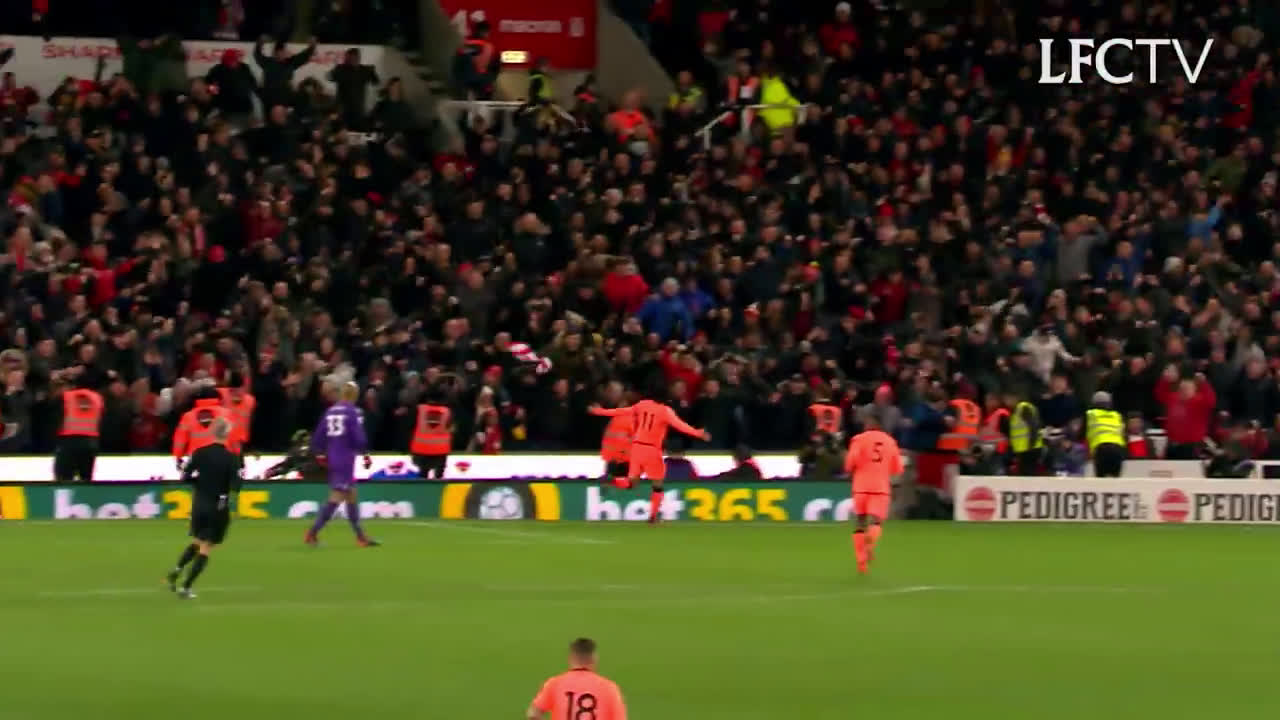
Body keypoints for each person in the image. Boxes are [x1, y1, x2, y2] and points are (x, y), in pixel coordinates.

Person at [588, 388, 710, 524]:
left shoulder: (643, 405)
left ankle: (612, 481)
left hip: (637, 448)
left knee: (632, 483)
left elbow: (622, 411)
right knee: (657, 485)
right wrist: (698, 433)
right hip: (652, 450)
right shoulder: (665, 411)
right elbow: (680, 426)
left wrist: (599, 411)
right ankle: (653, 516)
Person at [166, 419, 242, 600]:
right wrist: (230, 502)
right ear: (228, 434)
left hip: (199, 504)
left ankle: (176, 570)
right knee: (206, 547)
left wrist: (199, 483)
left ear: (212, 432)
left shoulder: (199, 453)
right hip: (218, 506)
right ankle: (186, 587)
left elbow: (185, 476)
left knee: (198, 540)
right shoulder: (231, 458)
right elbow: (236, 485)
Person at [305, 381, 377, 547]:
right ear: (355, 394)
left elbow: (319, 435)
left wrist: (319, 453)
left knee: (351, 496)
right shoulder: (351, 411)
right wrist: (365, 453)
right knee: (336, 498)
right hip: (346, 459)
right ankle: (312, 533)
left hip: (334, 457)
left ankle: (361, 537)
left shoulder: (330, 411)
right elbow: (358, 436)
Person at [844, 412, 903, 575]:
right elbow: (897, 468)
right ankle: (870, 541)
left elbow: (850, 462)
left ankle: (861, 561)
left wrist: (852, 470)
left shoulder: (858, 439)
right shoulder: (890, 441)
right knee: (877, 521)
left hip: (861, 486)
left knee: (860, 521)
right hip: (881, 487)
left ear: (870, 424)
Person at [527, 638, 627, 720]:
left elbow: (533, 714)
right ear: (594, 658)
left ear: (571, 658)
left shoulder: (555, 684)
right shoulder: (609, 688)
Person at [172, 387, 237, 470]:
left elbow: (179, 441)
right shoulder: (227, 414)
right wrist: (237, 457)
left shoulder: (188, 416)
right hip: (222, 460)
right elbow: (235, 439)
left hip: (196, 461)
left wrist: (178, 457)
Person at [53, 377, 103, 483]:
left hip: (69, 442)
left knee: (63, 479)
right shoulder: (97, 398)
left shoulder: (66, 396)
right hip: (90, 443)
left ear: (73, 385)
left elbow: (56, 418)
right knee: (86, 479)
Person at [410, 391, 452, 480]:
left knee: (423, 475)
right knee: (439, 477)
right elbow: (451, 428)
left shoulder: (419, 409)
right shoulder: (447, 411)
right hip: (441, 450)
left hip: (421, 449)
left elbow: (410, 425)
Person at [1085, 391, 1126, 477]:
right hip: (1118, 450)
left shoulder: (1090, 414)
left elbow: (1080, 433)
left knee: (1101, 481)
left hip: (1101, 449)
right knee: (1116, 481)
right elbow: (1123, 433)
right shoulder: (1117, 415)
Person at [260, 430, 326, 482]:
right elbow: (286, 466)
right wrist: (272, 472)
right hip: (308, 480)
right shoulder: (294, 452)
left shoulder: (316, 449)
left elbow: (286, 466)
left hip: (318, 480)